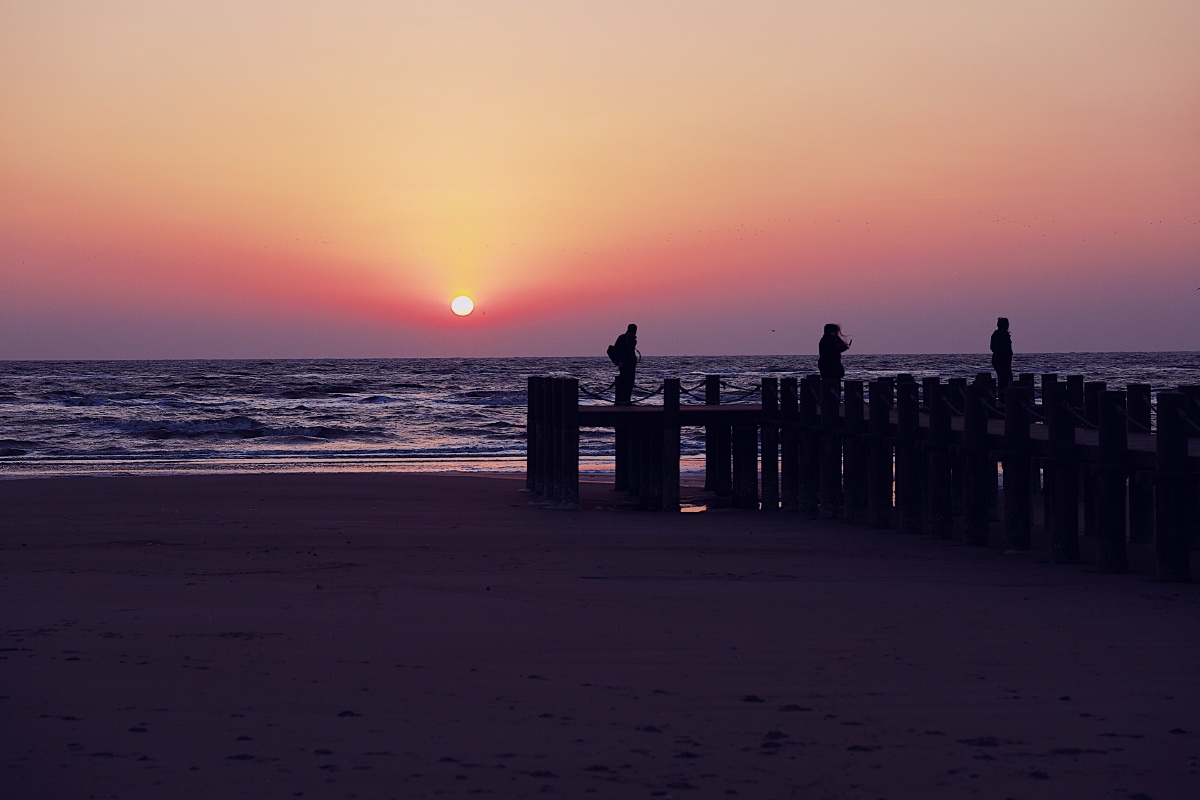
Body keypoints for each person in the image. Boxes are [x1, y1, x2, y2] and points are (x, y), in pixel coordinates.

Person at [611, 323, 638, 406]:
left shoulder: (621, 337)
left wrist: (620, 361)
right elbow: (628, 351)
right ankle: (625, 401)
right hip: (628, 363)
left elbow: (616, 349)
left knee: (623, 381)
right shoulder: (630, 338)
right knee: (629, 382)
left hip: (622, 363)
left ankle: (623, 400)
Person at [990, 317, 1013, 397]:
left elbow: (991, 347)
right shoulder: (1004, 334)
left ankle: (1003, 397)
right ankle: (1006, 398)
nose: (1008, 326)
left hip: (997, 359)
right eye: (1007, 324)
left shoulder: (995, 334)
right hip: (1003, 360)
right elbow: (1007, 349)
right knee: (1007, 378)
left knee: (1002, 378)